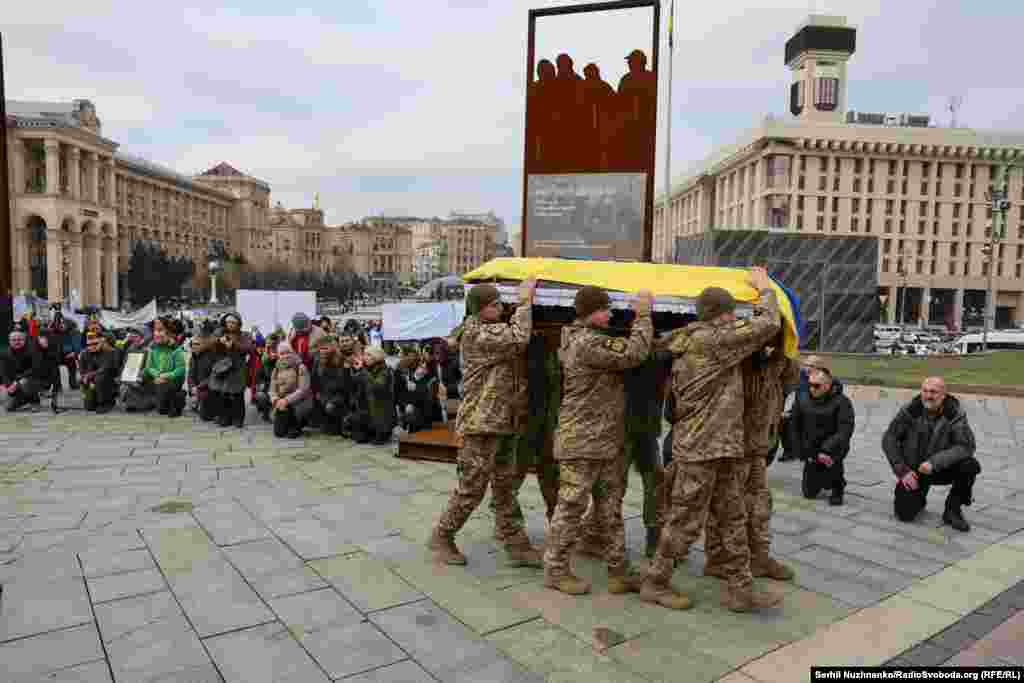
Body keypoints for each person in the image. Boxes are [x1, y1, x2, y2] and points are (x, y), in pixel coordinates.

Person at [642, 267, 783, 613]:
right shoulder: (712, 341)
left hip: (722, 447)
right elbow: (769, 324)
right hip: (701, 449)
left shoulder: (696, 338)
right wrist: (764, 289)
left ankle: (741, 588)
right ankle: (656, 582)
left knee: (733, 517)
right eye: (731, 312)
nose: (734, 318)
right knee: (684, 521)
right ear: (722, 315)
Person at [543, 285, 653, 597]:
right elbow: (634, 353)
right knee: (571, 507)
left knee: (610, 508)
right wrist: (643, 316)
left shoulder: (584, 338)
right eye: (605, 309)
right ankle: (555, 569)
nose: (610, 314)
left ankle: (619, 571)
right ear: (591, 312)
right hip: (582, 440)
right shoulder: (587, 342)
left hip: (603, 439)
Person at [428, 279, 541, 568]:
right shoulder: (477, 332)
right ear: (479, 308)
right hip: (481, 424)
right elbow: (518, 338)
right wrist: (525, 303)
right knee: (472, 488)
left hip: (502, 420)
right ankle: (442, 536)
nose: (500, 308)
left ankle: (516, 544)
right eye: (495, 304)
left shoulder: (490, 328)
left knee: (505, 486)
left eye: (500, 303)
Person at [704, 333, 801, 581]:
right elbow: (768, 371)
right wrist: (780, 346)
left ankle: (759, 557)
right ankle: (717, 558)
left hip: (757, 449)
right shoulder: (743, 366)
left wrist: (788, 346)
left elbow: (790, 377)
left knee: (760, 504)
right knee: (728, 505)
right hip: (735, 450)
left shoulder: (773, 369)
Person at [883, 377, 980, 532]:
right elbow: (890, 437)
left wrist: (934, 462)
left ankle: (953, 509)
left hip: (940, 468)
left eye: (933, 392)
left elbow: (966, 446)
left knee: (970, 465)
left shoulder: (955, 413)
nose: (928, 396)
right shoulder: (910, 410)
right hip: (914, 471)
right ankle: (919, 496)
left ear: (943, 395)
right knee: (904, 514)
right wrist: (902, 470)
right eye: (925, 391)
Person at [788, 368, 855, 506]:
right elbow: (794, 424)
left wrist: (826, 449)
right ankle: (818, 475)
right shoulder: (802, 398)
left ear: (828, 385)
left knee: (832, 469)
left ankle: (838, 486)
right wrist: (799, 448)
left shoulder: (842, 402)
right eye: (809, 384)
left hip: (832, 449)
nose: (812, 388)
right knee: (809, 493)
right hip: (811, 448)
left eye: (816, 385)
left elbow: (845, 431)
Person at [208, 312, 253, 428]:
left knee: (238, 395)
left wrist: (233, 344)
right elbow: (210, 343)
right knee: (223, 394)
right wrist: (219, 341)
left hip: (237, 368)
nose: (230, 324)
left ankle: (238, 419)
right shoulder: (219, 332)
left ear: (238, 323)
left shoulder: (245, 335)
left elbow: (248, 348)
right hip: (222, 367)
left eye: (233, 322)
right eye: (228, 322)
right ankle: (224, 417)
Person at [351, 346, 398, 445]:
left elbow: (378, 387)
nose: (365, 357)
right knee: (360, 438)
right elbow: (353, 381)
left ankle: (383, 431)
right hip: (367, 410)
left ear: (376, 357)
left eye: (368, 355)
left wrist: (363, 371)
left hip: (382, 411)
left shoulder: (385, 370)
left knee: (377, 440)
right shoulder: (366, 369)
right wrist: (352, 369)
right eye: (365, 354)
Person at [142, 317, 187, 417]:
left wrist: (167, 376)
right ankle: (158, 400)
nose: (157, 334)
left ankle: (179, 397)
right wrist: (157, 375)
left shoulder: (175, 348)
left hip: (172, 380)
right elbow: (149, 367)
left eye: (160, 330)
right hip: (158, 378)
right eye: (155, 331)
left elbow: (181, 369)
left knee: (166, 407)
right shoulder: (152, 347)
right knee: (161, 410)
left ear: (168, 333)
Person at [313, 335, 356, 436]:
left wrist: (332, 400)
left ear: (332, 347)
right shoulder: (318, 361)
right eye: (321, 348)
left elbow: (344, 385)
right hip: (325, 394)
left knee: (331, 408)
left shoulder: (341, 360)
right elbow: (315, 380)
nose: (323, 351)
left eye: (326, 348)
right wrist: (319, 394)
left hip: (340, 396)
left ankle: (343, 421)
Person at [270, 341, 314, 439]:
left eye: (287, 352)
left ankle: (297, 425)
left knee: (292, 432)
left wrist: (286, 400)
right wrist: (275, 400)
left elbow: (303, 390)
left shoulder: (300, 367)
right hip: (282, 402)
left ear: (292, 352)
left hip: (300, 402)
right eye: (282, 353)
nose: (285, 356)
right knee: (279, 433)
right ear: (278, 355)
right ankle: (289, 423)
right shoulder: (276, 369)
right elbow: (272, 389)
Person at [1, 329, 50, 411]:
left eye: (19, 339)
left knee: (24, 383)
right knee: (8, 406)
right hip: (16, 384)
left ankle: (35, 401)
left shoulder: (33, 350)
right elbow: (3, 372)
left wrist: (17, 382)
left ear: (24, 340)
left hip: (35, 380)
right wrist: (8, 385)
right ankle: (25, 399)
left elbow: (36, 369)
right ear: (9, 341)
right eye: (14, 340)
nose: (17, 342)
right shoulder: (5, 353)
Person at [78, 330, 119, 413]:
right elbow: (82, 370)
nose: (92, 346)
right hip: (92, 379)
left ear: (101, 343)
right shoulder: (84, 354)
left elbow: (104, 369)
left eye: (95, 344)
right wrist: (84, 377)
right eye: (89, 345)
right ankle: (94, 399)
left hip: (107, 378)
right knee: (89, 407)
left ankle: (105, 402)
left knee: (100, 378)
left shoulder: (109, 352)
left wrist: (89, 375)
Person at [188, 322, 219, 422]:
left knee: (205, 416)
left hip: (209, 388)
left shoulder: (212, 356)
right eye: (192, 344)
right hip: (197, 388)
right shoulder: (193, 357)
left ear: (204, 344)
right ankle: (197, 402)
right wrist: (192, 387)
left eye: (197, 344)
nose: (194, 346)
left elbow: (213, 377)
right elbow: (190, 375)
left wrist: (199, 387)